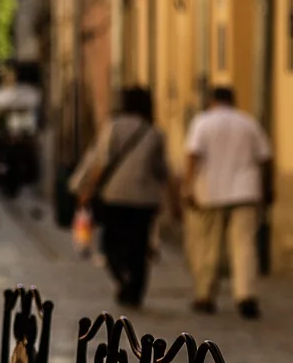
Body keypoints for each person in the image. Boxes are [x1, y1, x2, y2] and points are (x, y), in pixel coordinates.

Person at [182, 86, 274, 318]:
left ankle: (205, 295)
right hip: (245, 191)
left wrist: (188, 187)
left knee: (208, 246)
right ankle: (246, 296)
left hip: (210, 192)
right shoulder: (248, 123)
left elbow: (193, 155)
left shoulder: (202, 122)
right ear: (233, 101)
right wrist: (267, 187)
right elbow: (266, 157)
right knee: (244, 246)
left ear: (212, 101)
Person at [73, 87, 169, 308]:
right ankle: (134, 291)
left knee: (111, 243)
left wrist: (88, 188)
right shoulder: (154, 132)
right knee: (139, 246)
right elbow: (161, 170)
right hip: (145, 199)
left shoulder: (114, 126)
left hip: (115, 196)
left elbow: (102, 161)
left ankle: (121, 278)